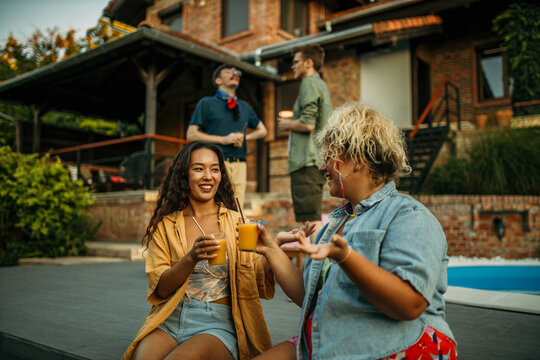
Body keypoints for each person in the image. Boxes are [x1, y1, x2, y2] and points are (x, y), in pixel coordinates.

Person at [256, 103, 457, 359]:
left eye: (329, 156)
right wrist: (271, 249)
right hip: (327, 345)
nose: (322, 166)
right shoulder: (335, 222)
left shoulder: (407, 215)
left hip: (394, 347)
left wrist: (346, 257)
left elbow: (411, 304)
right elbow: (311, 298)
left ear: (358, 161)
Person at [122, 141, 275, 360]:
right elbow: (161, 289)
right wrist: (191, 258)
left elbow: (254, 276)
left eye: (215, 169)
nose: (208, 176)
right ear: (184, 174)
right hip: (172, 317)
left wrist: (277, 248)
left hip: (217, 322)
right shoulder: (166, 225)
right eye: (198, 168)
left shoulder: (236, 221)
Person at [187, 64, 267, 207]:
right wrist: (223, 139)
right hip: (216, 163)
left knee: (237, 208)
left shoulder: (244, 106)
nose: (235, 74)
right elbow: (191, 134)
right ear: (218, 80)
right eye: (229, 72)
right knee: (216, 206)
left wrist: (245, 137)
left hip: (240, 164)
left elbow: (263, 130)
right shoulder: (206, 103)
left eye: (237, 72)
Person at [277, 45, 332, 239]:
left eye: (295, 62)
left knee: (311, 220)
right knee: (311, 218)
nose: (292, 66)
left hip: (307, 162)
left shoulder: (309, 84)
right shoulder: (318, 84)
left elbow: (308, 124)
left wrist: (287, 124)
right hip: (312, 160)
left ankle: (317, 267)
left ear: (308, 63)